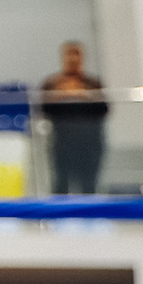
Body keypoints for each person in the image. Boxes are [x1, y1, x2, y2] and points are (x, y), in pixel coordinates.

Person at [41, 39, 108, 195]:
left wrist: (82, 95)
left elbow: (104, 109)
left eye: (76, 54)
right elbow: (44, 109)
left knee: (88, 183)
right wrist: (62, 95)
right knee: (61, 183)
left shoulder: (93, 83)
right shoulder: (53, 84)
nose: (72, 59)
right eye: (69, 54)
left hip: (89, 141)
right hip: (63, 141)